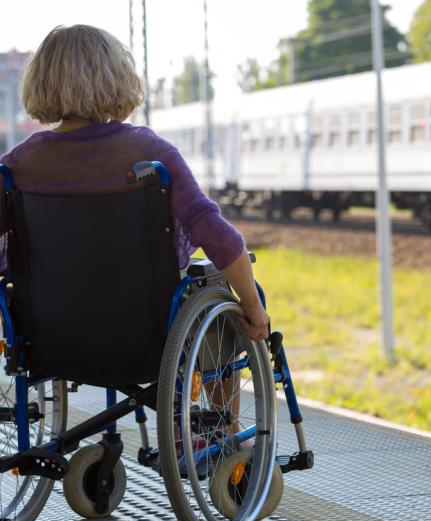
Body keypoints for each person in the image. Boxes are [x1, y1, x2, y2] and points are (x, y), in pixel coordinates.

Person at [0, 25, 268, 442]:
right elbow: (217, 235)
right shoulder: (148, 154)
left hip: (50, 340)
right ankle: (218, 435)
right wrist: (253, 308)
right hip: (148, 340)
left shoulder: (17, 165)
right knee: (222, 315)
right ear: (116, 78)